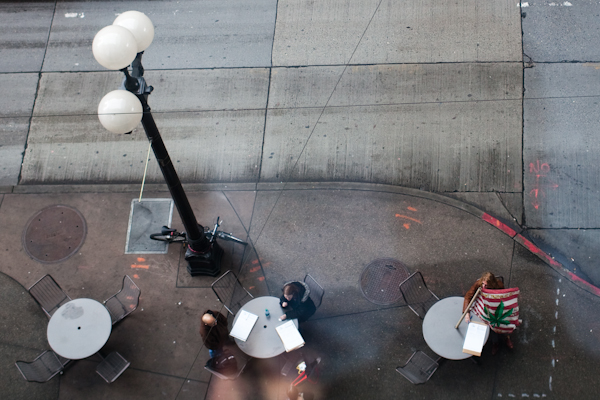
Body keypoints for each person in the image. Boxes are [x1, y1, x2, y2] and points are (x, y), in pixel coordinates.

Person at [462, 272, 513, 355]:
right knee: (491, 325)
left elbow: (503, 297)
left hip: (495, 306)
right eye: (483, 284)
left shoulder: (498, 286)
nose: (483, 287)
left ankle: (506, 337)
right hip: (483, 306)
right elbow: (468, 296)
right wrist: (466, 312)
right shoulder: (478, 284)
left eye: (486, 285)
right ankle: (495, 342)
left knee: (504, 320)